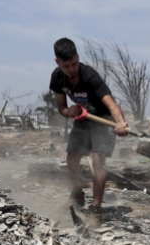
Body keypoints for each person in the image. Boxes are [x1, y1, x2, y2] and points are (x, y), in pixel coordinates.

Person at [49, 37, 128, 225]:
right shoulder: (57, 77)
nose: (71, 69)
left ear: (78, 56)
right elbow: (62, 108)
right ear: (57, 62)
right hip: (82, 120)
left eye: (74, 63)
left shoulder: (90, 76)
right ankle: (77, 195)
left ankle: (96, 209)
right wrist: (70, 111)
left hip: (103, 120)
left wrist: (121, 123)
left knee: (98, 163)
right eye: (66, 65)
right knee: (71, 159)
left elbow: (112, 105)